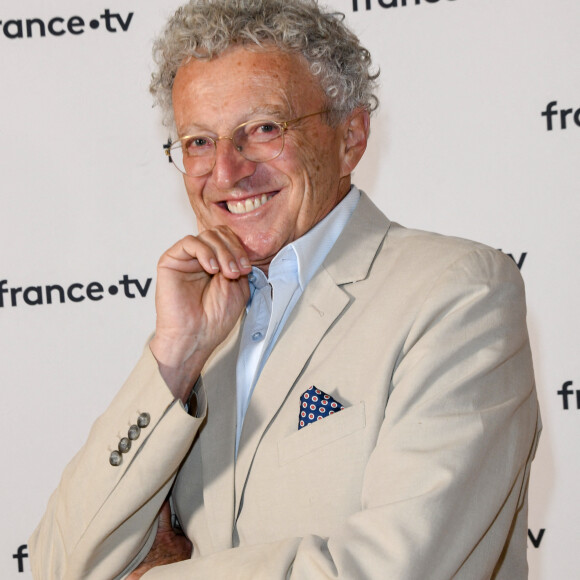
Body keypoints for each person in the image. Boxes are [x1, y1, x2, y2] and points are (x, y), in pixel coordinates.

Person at [29, 0, 541, 578]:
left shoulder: (457, 293)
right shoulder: (205, 328)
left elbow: (392, 568)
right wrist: (175, 356)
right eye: (198, 141)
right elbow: (55, 563)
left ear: (351, 137)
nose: (226, 171)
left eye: (263, 129)